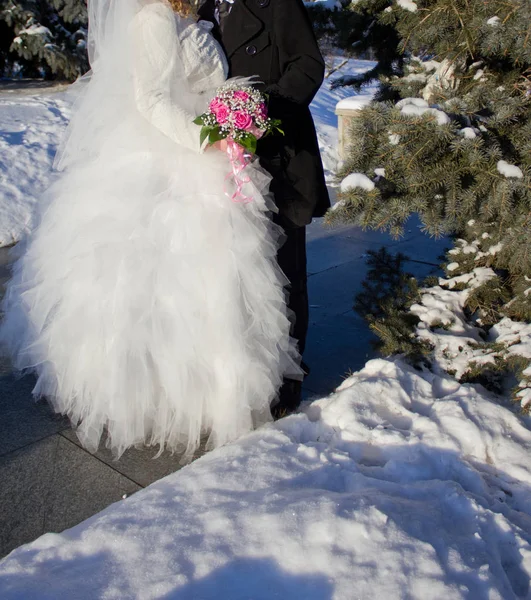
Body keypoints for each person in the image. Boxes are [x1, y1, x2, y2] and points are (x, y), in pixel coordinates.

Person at [0, 0, 302, 460]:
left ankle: (217, 390)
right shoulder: (154, 20)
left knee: (218, 280)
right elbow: (151, 99)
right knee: (166, 283)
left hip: (209, 153)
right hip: (173, 158)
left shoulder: (189, 18)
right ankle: (159, 398)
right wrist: (207, 136)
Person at [198, 0, 331, 416]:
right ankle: (249, 371)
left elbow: (308, 63)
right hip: (223, 165)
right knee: (245, 275)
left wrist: (258, 113)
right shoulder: (201, 8)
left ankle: (289, 376)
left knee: (286, 272)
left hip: (281, 159)